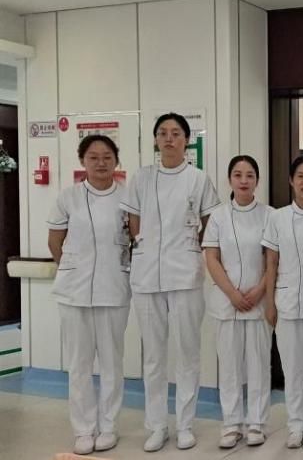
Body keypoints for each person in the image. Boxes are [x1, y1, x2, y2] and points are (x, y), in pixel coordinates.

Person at [121, 113, 220, 452]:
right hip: (147, 274)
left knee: (188, 352)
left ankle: (185, 424)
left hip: (185, 273)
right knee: (153, 356)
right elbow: (133, 219)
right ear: (155, 140)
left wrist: (192, 250)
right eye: (162, 133)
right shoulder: (142, 177)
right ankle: (157, 425)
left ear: (186, 140)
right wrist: (144, 244)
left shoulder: (198, 178)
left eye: (176, 133)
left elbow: (210, 222)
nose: (169, 138)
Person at [47, 135, 131, 456]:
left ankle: (108, 427)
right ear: (83, 161)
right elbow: (55, 241)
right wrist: (70, 268)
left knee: (112, 363)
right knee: (79, 365)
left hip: (114, 288)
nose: (100, 162)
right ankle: (83, 430)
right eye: (93, 157)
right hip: (74, 291)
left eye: (107, 156)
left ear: (116, 160)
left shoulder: (127, 197)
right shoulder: (68, 197)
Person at [202, 155, 274, 449]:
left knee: (259, 365)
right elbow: (211, 258)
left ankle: (256, 423)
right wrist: (232, 294)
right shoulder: (218, 216)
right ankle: (231, 424)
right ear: (229, 180)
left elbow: (274, 260)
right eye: (238, 175)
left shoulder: (269, 215)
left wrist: (259, 291)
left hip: (259, 302)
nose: (244, 181)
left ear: (257, 180)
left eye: (250, 175)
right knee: (230, 368)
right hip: (226, 303)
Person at [262, 155, 303, 450]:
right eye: (300, 176)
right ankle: (295, 425)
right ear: (291, 180)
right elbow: (271, 263)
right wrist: (269, 302)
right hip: (286, 299)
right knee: (291, 368)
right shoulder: (277, 218)